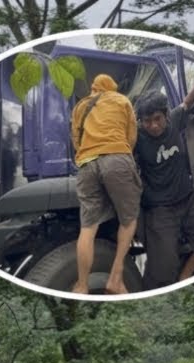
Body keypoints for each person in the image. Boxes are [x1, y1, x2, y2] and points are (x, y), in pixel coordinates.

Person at [133, 65, 194, 289]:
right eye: (147, 121)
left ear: (165, 114)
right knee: (161, 269)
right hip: (159, 210)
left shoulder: (175, 120)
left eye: (157, 119)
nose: (153, 125)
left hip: (187, 200)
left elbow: (189, 100)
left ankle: (185, 275)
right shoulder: (137, 137)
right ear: (140, 121)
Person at [69, 73, 141, 296]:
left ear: (93, 88)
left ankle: (81, 285)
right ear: (112, 87)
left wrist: (89, 152)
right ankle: (116, 278)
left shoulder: (80, 106)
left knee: (88, 228)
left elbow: (75, 139)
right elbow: (131, 137)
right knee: (128, 220)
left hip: (87, 163)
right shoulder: (122, 100)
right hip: (117, 157)